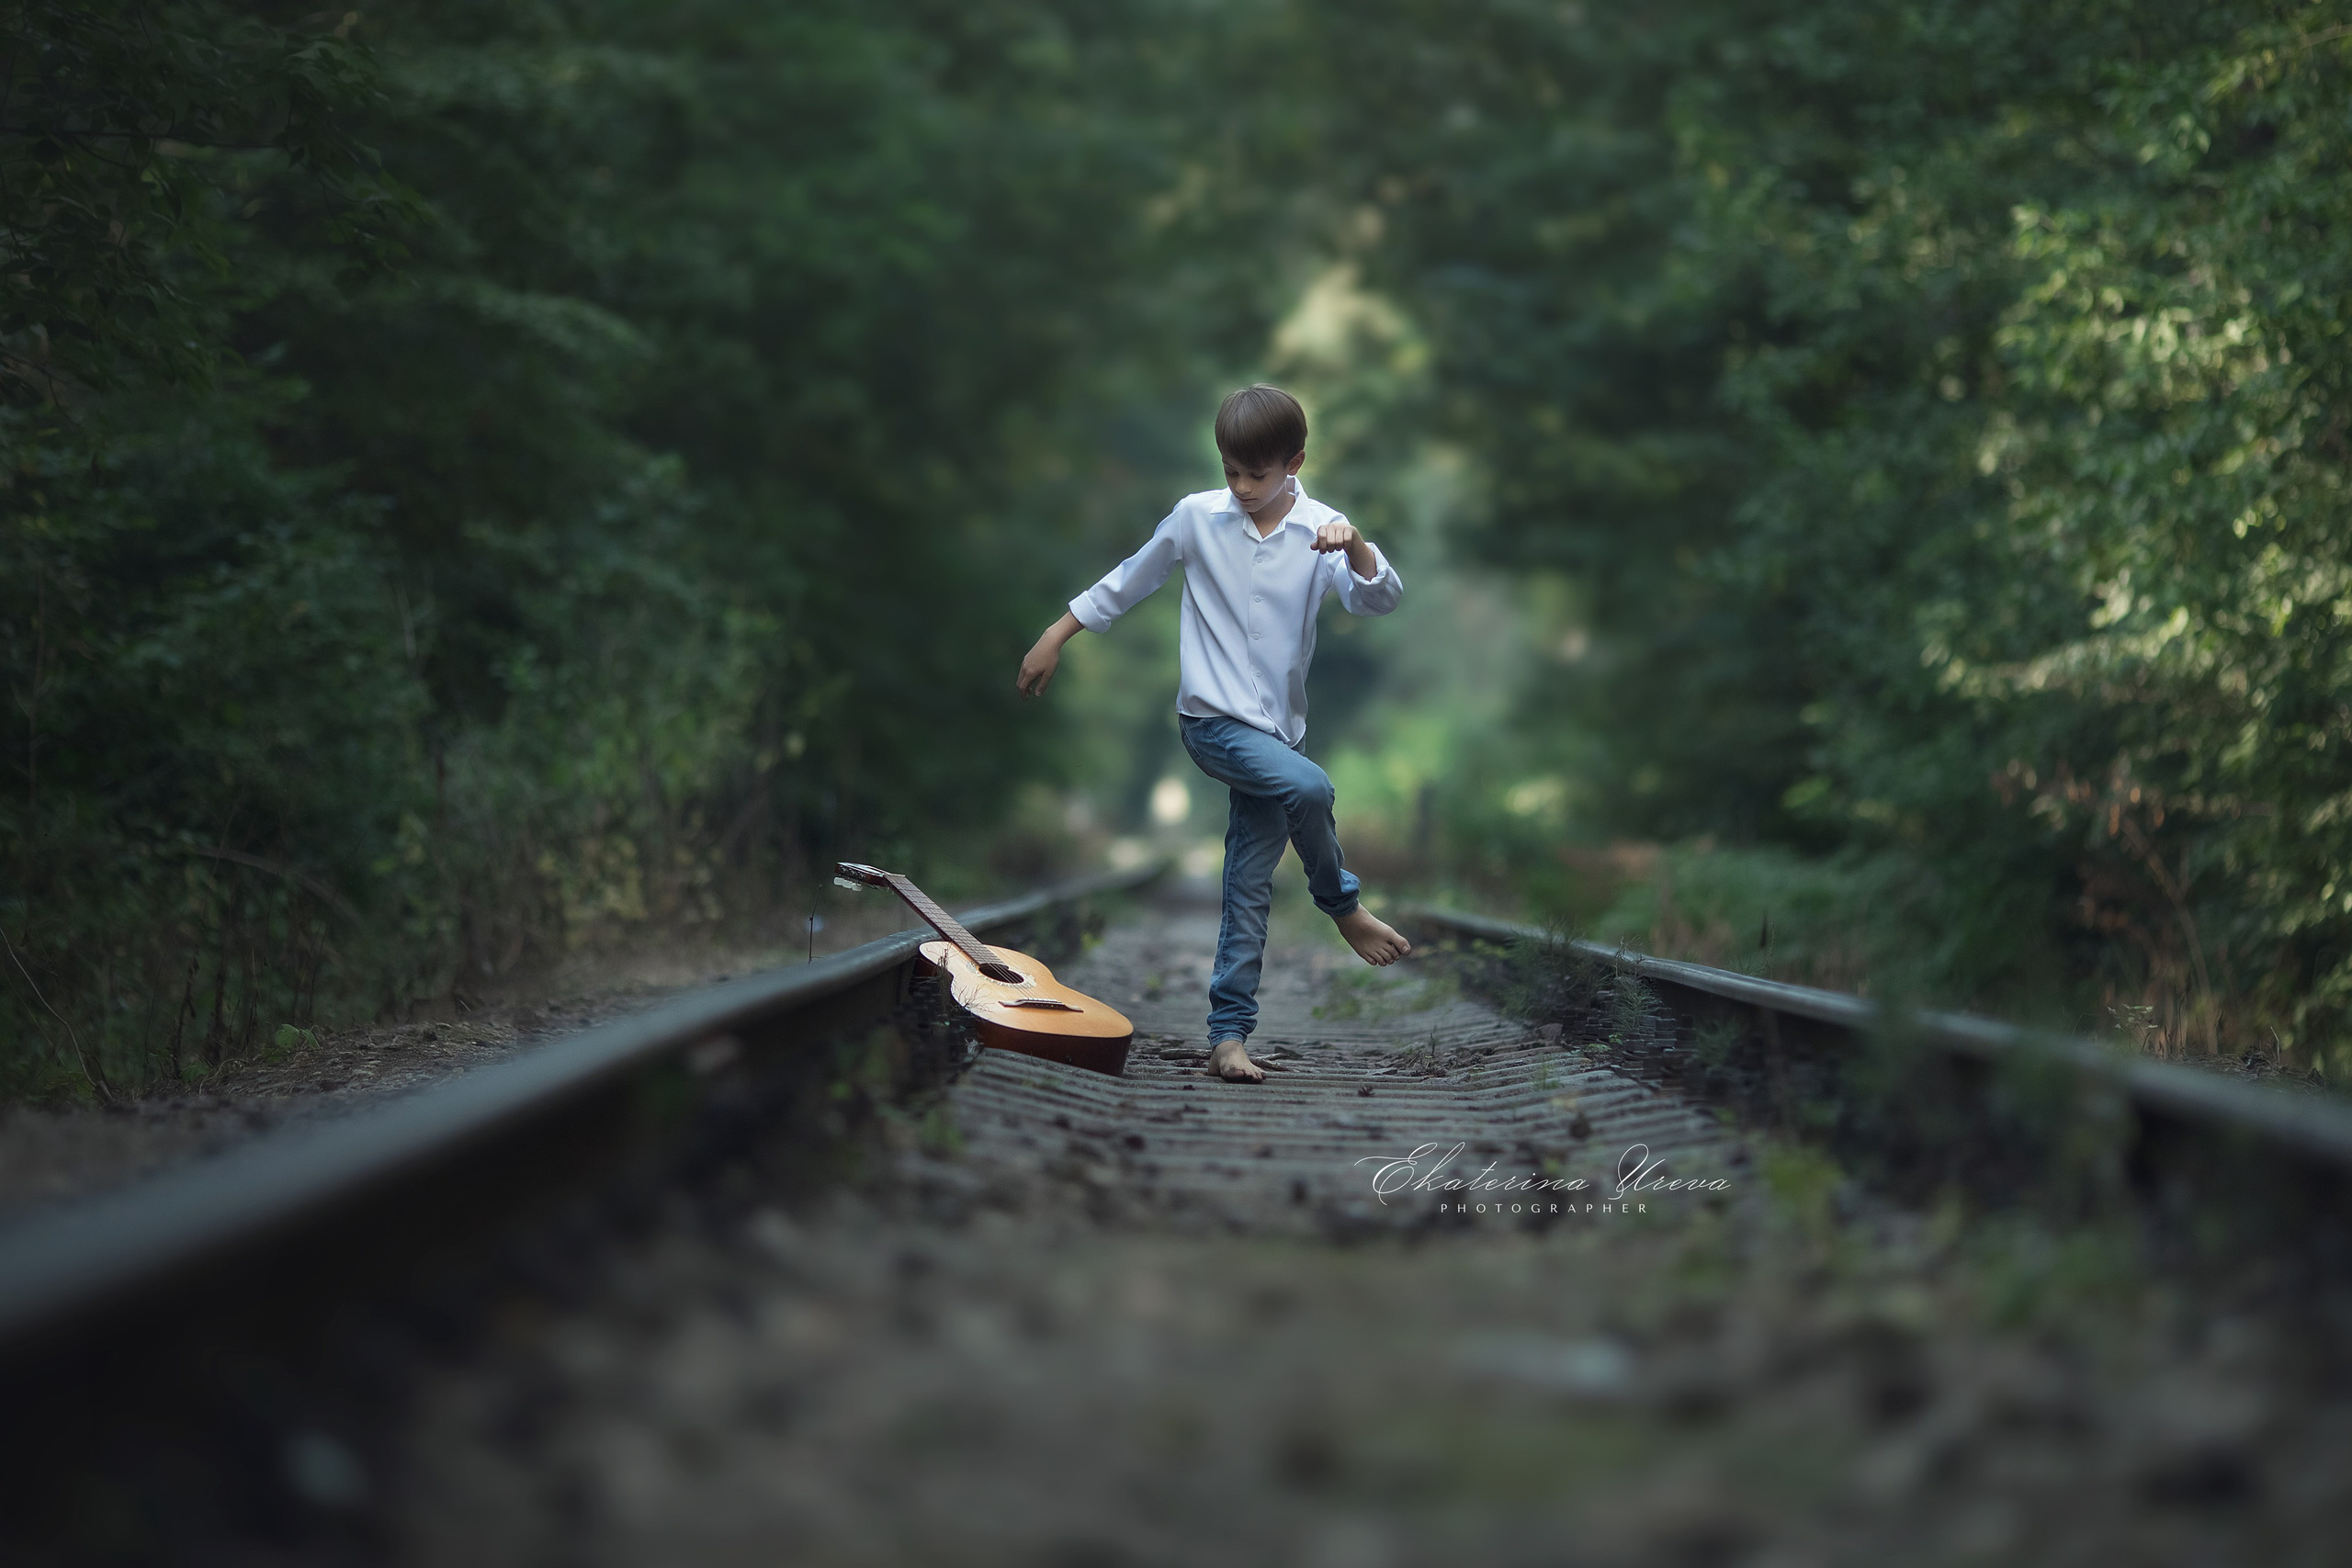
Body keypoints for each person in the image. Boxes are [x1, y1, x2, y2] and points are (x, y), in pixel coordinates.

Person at [1016, 384, 1411, 1083]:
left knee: (1248, 886)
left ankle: (1229, 1036)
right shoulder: (1196, 518)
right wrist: (1057, 633)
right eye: (1231, 469)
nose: (1242, 486)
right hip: (1210, 723)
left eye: (1257, 473)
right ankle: (1342, 906)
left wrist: (1356, 546)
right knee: (1311, 786)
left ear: (1294, 462)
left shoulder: (1324, 529)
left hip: (1275, 738)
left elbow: (1378, 598)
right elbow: (1126, 582)